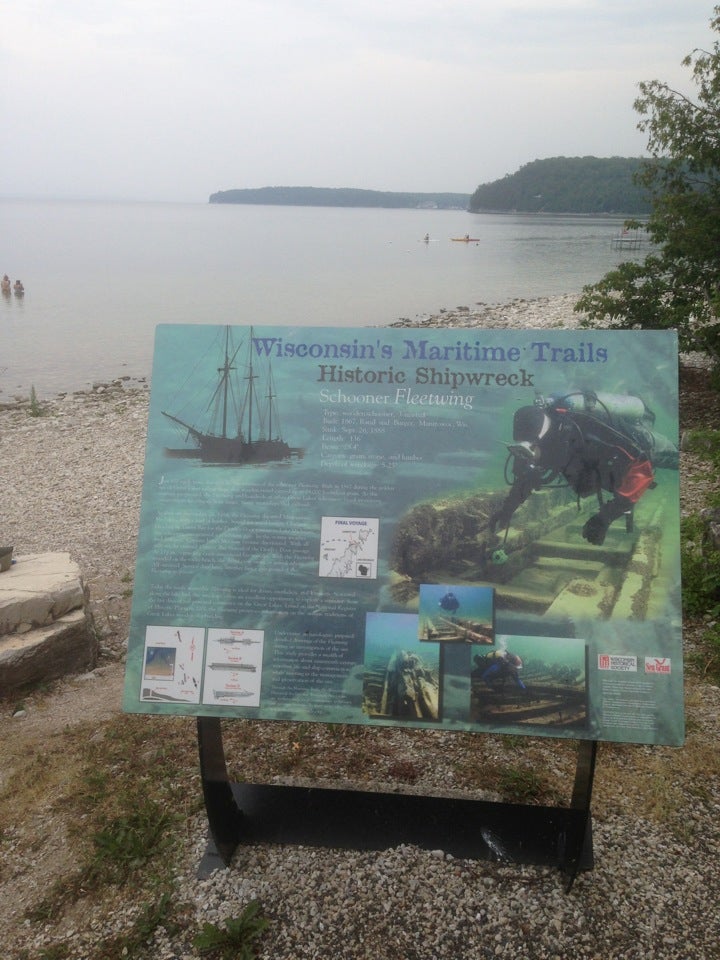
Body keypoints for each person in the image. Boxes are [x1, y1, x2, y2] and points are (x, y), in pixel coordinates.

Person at [489, 391, 678, 546]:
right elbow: (525, 479)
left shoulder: (589, 431)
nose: (524, 457)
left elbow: (641, 465)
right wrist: (507, 510)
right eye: (519, 449)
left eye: (527, 450)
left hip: (646, 448)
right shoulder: (532, 447)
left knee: (677, 457)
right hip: (601, 470)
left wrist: (606, 517)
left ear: (541, 438)